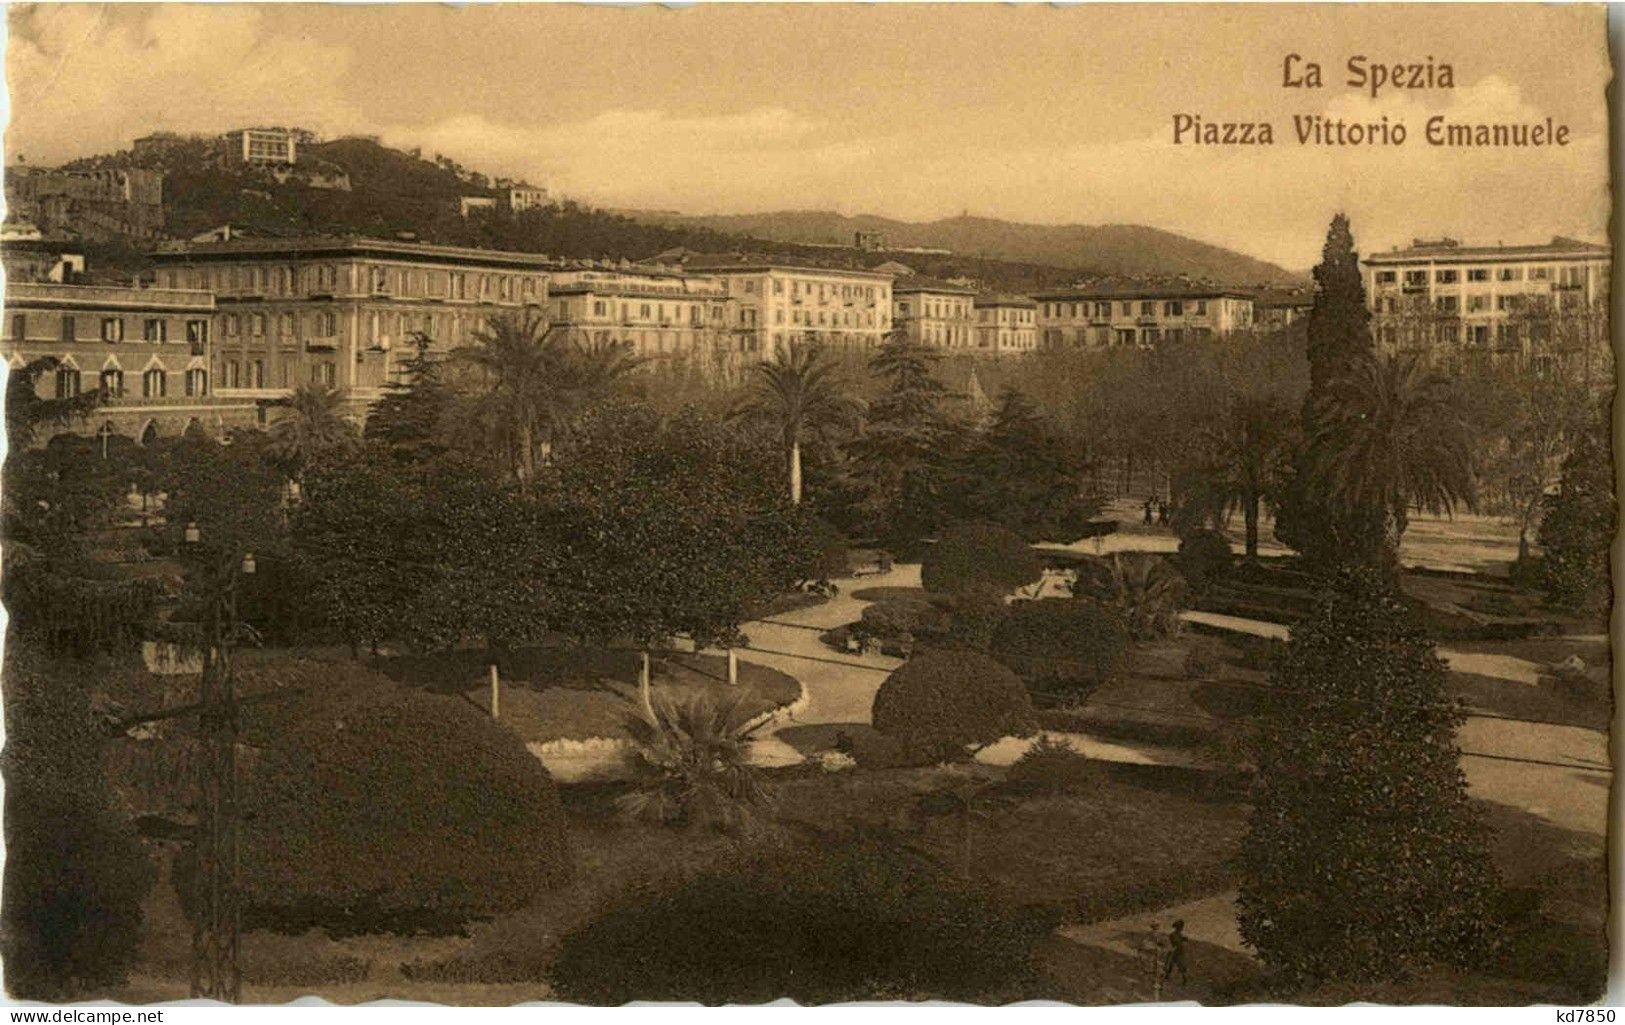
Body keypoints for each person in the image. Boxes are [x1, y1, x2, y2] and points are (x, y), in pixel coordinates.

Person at [1139, 922, 1166, 1001]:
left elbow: (1164, 947)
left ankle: (1157, 991)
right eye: (1156, 927)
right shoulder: (1150, 937)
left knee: (1158, 975)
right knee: (1156, 976)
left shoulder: (1152, 937)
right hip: (1153, 960)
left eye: (1157, 927)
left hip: (1155, 960)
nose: (1156, 929)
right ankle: (1156, 994)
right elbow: (1143, 948)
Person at [1162, 918, 1189, 986]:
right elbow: (1175, 942)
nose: (1179, 929)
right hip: (1175, 951)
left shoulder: (1182, 935)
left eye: (1180, 927)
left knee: (1181, 966)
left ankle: (1184, 979)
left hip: (1178, 952)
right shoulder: (1173, 935)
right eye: (1179, 927)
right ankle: (1167, 976)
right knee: (1170, 964)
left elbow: (1184, 943)